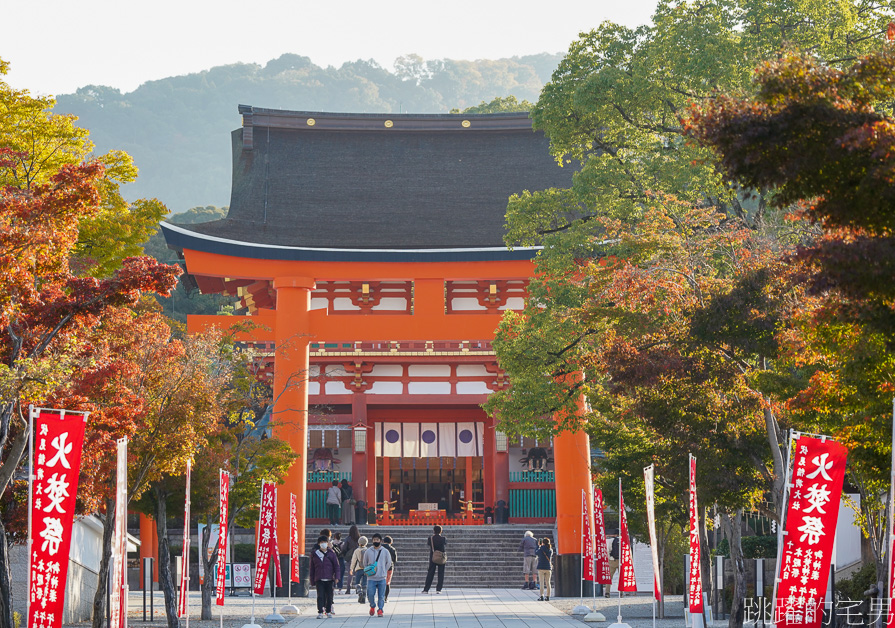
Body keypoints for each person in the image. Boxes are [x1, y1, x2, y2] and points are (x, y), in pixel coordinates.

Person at [309, 534, 340, 619]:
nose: (323, 544)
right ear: (319, 544)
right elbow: (312, 568)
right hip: (319, 578)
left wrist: (337, 577)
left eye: (325, 542)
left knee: (329, 596)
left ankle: (328, 611)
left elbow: (336, 566)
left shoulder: (331, 553)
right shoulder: (315, 554)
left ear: (327, 543)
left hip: (329, 578)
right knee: (320, 596)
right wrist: (312, 580)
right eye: (321, 542)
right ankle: (320, 612)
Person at [364, 532, 393, 616]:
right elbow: (365, 563)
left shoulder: (385, 551)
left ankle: (380, 609)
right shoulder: (368, 551)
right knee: (370, 595)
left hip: (381, 577)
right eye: (374, 540)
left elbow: (389, 562)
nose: (375, 541)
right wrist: (368, 571)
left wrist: (384, 570)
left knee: (381, 596)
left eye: (377, 540)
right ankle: (372, 606)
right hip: (371, 578)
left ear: (380, 541)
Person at [421, 525, 446, 594]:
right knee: (441, 573)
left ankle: (426, 589)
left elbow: (429, 544)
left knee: (430, 573)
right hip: (441, 556)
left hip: (433, 556)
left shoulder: (430, 538)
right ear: (441, 531)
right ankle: (439, 589)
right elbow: (444, 545)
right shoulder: (443, 538)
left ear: (434, 531)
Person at [341, 525, 360, 594]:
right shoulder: (359, 538)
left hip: (350, 557)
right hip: (358, 557)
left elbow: (344, 548)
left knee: (350, 574)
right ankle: (358, 588)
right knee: (358, 574)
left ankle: (348, 589)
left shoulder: (348, 539)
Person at [349, 535, 368, 601]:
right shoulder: (368, 550)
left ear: (359, 543)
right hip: (366, 569)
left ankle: (359, 592)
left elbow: (353, 560)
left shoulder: (356, 550)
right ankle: (364, 595)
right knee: (365, 583)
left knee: (357, 582)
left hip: (358, 569)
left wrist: (351, 568)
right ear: (366, 543)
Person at [382, 535, 398, 602]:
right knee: (387, 582)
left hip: (381, 567)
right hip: (389, 567)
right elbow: (395, 560)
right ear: (390, 542)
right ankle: (385, 597)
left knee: (380, 582)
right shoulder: (392, 549)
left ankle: (381, 596)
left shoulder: (380, 548)